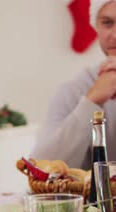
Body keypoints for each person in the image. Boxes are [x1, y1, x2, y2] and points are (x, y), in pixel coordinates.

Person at [31, 0, 116, 169]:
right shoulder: (73, 90)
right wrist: (91, 102)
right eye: (107, 23)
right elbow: (41, 169)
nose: (114, 35)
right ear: (96, 27)